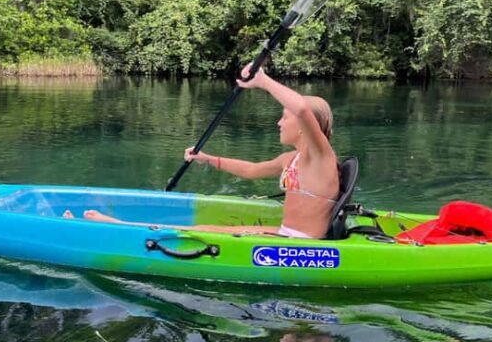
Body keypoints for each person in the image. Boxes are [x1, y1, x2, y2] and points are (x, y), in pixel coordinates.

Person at [64, 63, 339, 239]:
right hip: (283, 235)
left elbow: (301, 108)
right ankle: (117, 226)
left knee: (198, 232)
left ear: (305, 126)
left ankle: (113, 226)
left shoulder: (320, 157)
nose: (279, 122)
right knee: (209, 230)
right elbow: (252, 170)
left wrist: (262, 80)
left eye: (284, 117)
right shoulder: (291, 158)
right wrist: (209, 159)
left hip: (301, 247)